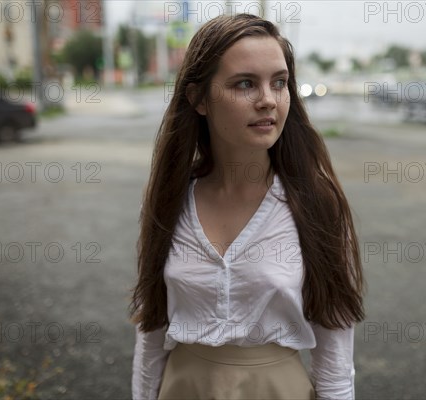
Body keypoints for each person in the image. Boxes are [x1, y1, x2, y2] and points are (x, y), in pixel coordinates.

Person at [130, 13, 366, 400]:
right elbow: (151, 330)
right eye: (245, 84)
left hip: (278, 389)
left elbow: (335, 355)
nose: (268, 100)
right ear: (199, 99)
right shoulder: (169, 199)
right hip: (183, 387)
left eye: (279, 82)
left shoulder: (316, 204)